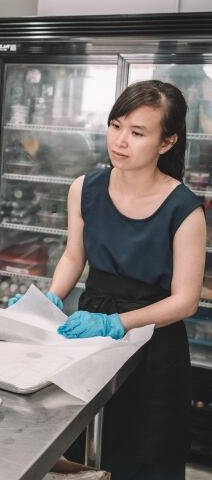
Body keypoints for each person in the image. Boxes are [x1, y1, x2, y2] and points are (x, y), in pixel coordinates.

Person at [11, 80, 206, 479]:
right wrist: (50, 298)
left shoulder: (184, 210)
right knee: (82, 451)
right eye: (116, 126)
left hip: (154, 347)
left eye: (137, 133)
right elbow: (73, 254)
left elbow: (185, 301)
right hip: (90, 340)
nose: (120, 141)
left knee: (143, 457)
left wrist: (118, 323)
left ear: (166, 143)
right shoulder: (85, 188)